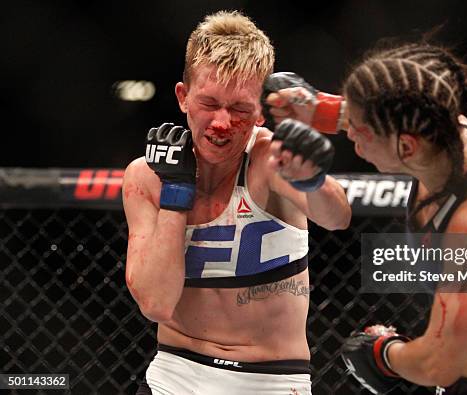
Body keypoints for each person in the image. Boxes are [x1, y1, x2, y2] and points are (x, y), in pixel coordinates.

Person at [265, 43, 467, 394]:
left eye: (362, 130)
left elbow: (438, 363)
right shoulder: (438, 133)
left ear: (406, 147)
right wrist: (322, 111)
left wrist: (382, 353)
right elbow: (397, 109)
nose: (351, 134)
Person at [122, 11, 351, 395]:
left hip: (270, 380)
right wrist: (176, 195)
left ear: (261, 111)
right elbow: (156, 304)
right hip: (174, 374)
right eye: (209, 103)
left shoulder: (269, 161)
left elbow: (337, 216)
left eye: (240, 109)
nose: (222, 122)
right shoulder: (147, 177)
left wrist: (310, 176)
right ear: (183, 98)